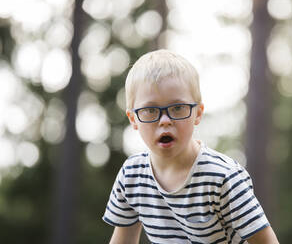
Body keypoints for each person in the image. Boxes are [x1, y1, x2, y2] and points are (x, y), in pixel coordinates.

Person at [102, 49, 279, 244]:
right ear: (133, 119)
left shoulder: (223, 177)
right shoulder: (131, 176)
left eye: (177, 108)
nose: (165, 120)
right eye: (151, 110)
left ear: (198, 113)